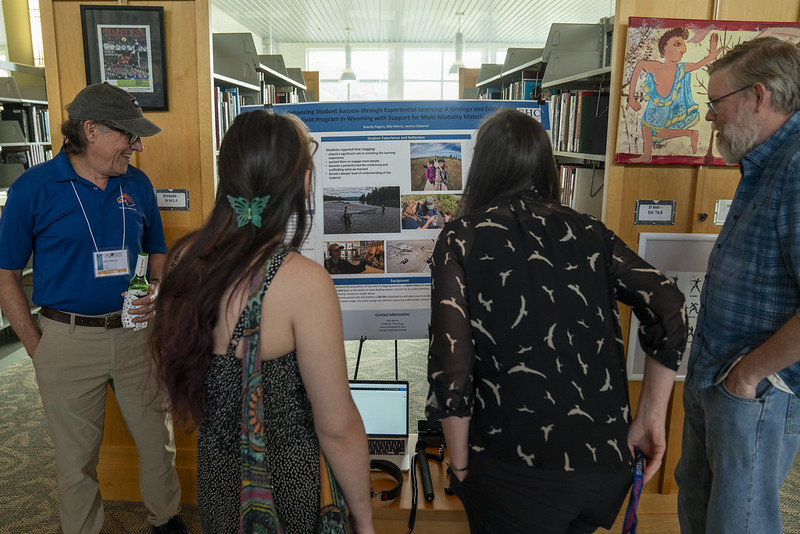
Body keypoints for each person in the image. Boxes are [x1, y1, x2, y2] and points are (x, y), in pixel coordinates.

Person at [426, 108, 686, 533]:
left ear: (483, 166)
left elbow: (452, 362)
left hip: (516, 467)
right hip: (602, 464)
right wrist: (650, 417)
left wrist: (460, 467)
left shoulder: (462, 236)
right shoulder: (589, 231)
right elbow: (669, 304)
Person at [149, 110, 374, 533]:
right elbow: (337, 427)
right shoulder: (303, 283)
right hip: (288, 494)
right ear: (299, 182)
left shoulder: (185, 261)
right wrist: (363, 518)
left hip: (218, 489)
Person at [0, 83, 187, 534]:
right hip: (66, 340)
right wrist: (35, 345)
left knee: (157, 443)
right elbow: (5, 272)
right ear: (90, 131)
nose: (138, 146)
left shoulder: (137, 184)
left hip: (136, 335)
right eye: (129, 136)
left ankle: (166, 521)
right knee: (75, 457)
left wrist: (157, 290)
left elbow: (157, 250)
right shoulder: (33, 189)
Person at [675, 37, 800, 534]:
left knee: (738, 521)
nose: (710, 119)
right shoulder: (763, 162)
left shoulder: (795, 166)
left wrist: (747, 376)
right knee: (702, 510)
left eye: (715, 104)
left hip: (755, 391)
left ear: (759, 95)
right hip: (720, 379)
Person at [626, 28, 721, 163]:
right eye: (677, 44)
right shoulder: (655, 67)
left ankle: (647, 155)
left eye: (683, 45)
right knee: (658, 132)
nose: (683, 50)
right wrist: (631, 96)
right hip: (655, 105)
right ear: (664, 48)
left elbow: (698, 64)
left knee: (649, 127)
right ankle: (690, 133)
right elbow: (640, 65)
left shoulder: (682, 69)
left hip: (666, 108)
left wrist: (711, 55)